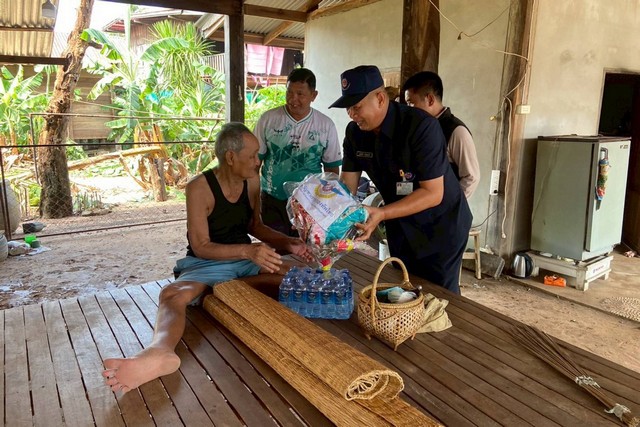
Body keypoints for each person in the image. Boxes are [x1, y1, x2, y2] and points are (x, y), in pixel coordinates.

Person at [102, 122, 312, 394]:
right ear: (230, 157)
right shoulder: (199, 188)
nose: (258, 161)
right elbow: (201, 246)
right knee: (173, 294)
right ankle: (159, 351)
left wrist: (288, 243)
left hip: (245, 262)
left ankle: (219, 292)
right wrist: (248, 251)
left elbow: (255, 226)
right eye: (252, 155)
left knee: (301, 278)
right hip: (208, 262)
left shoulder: (252, 181)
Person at [329, 65, 472, 294]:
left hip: (440, 226)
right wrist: (324, 212)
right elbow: (347, 186)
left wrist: (381, 213)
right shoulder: (355, 133)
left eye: (356, 107)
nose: (352, 114)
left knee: (438, 297)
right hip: (400, 224)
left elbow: (433, 193)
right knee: (403, 288)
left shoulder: (421, 126)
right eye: (348, 108)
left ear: (380, 98)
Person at [254, 67, 342, 235]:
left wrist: (328, 204)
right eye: (289, 92)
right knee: (273, 246)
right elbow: (254, 162)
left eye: (300, 94)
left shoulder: (325, 125)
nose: (293, 99)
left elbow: (331, 170)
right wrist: (253, 197)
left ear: (313, 95)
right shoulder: (268, 119)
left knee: (304, 247)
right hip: (272, 199)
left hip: (309, 203)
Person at [402, 71, 480, 198]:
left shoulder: (456, 131)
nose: (408, 109)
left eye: (411, 103)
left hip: (441, 207)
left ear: (430, 99)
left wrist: (451, 204)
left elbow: (471, 177)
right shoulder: (415, 128)